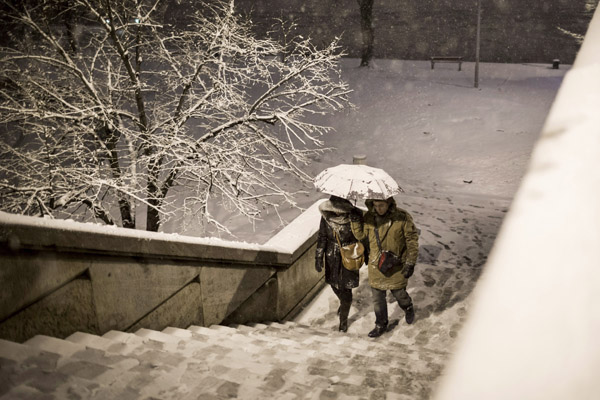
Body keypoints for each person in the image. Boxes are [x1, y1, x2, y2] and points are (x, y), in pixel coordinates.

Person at [350, 197, 419, 338]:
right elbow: (361, 236)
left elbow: (411, 240)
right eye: (375, 206)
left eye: (381, 205)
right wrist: (356, 221)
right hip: (377, 264)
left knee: (399, 294)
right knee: (377, 299)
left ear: (389, 204)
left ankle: (408, 307)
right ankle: (380, 324)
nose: (378, 209)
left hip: (396, 265)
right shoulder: (369, 217)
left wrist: (410, 262)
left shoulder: (402, 217)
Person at [315, 195, 368, 332]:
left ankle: (343, 321)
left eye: (339, 208)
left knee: (347, 288)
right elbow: (322, 237)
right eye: (334, 208)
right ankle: (344, 302)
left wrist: (366, 254)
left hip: (349, 254)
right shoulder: (326, 217)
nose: (337, 212)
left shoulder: (355, 217)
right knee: (334, 285)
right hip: (331, 256)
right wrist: (319, 257)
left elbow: (363, 237)